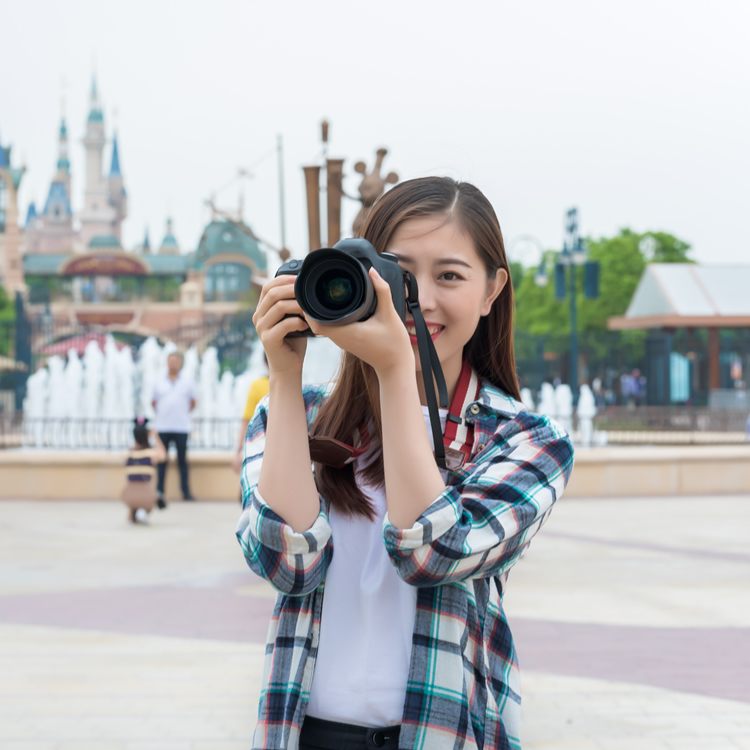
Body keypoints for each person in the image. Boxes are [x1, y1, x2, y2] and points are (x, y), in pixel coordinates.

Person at [236, 177, 575, 750]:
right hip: (304, 732)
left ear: (493, 290)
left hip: (441, 734)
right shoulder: (291, 413)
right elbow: (284, 565)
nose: (420, 300)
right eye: (402, 276)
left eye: (450, 275)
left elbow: (432, 553)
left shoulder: (528, 438)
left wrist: (396, 371)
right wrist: (285, 372)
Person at [151, 351, 197, 505]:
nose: (173, 364)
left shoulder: (188, 381)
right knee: (161, 462)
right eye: (170, 361)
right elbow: (153, 402)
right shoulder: (158, 381)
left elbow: (193, 402)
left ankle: (186, 492)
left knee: (182, 462)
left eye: (176, 361)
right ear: (166, 362)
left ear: (181, 363)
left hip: (181, 427)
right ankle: (159, 492)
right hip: (163, 426)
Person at [121, 417, 166, 524]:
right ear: (147, 435)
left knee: (135, 495)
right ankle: (144, 511)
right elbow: (164, 455)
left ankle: (133, 514)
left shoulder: (128, 454)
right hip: (147, 496)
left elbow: (134, 449)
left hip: (128, 495)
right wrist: (156, 437)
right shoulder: (151, 453)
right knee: (154, 494)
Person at [231, 354, 270, 476]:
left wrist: (239, 450)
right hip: (270, 449)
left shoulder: (258, 385)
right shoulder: (294, 384)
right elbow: (247, 419)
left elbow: (246, 420)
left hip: (261, 449)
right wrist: (238, 450)